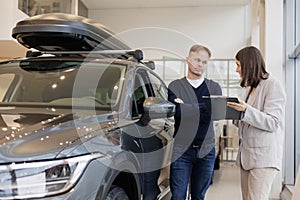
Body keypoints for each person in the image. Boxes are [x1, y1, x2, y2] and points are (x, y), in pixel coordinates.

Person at [227, 46, 286, 200]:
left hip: (263, 158)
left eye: (238, 65)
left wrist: (246, 110)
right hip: (247, 156)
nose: (236, 69)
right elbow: (247, 122)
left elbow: (273, 122)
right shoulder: (250, 88)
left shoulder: (272, 85)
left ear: (250, 64)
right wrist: (234, 113)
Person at [168, 44, 222, 200]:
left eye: (204, 62)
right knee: (178, 196)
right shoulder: (175, 86)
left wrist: (186, 106)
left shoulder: (214, 87)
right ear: (188, 60)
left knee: (199, 196)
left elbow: (214, 114)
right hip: (181, 149)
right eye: (197, 60)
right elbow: (177, 113)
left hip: (206, 149)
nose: (200, 65)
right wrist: (204, 106)